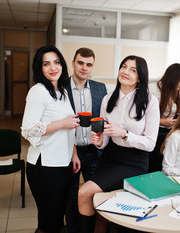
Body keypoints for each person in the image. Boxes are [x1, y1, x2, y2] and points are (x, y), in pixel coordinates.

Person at [78, 55, 160, 233]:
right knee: (100, 209)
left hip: (134, 162)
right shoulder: (108, 99)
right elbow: (105, 136)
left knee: (85, 192)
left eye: (133, 70)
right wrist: (99, 142)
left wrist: (124, 134)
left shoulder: (150, 101)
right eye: (124, 67)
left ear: (140, 78)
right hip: (110, 157)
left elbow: (151, 144)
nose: (126, 72)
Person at [21, 45, 81, 233]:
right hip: (44, 167)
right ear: (40, 68)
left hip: (63, 164)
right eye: (46, 64)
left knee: (56, 219)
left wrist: (74, 154)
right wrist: (62, 124)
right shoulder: (38, 91)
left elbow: (69, 127)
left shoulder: (61, 91)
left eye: (56, 62)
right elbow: (28, 130)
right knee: (49, 222)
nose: (52, 67)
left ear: (62, 65)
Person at [64, 47, 107, 233]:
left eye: (89, 64)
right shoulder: (60, 87)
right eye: (80, 63)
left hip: (93, 151)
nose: (84, 68)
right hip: (68, 152)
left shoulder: (100, 88)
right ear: (73, 63)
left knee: (97, 196)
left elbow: (103, 119)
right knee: (71, 197)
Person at [148, 63, 180, 172]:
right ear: (172, 79)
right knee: (155, 163)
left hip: (169, 131)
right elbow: (144, 116)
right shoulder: (152, 89)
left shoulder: (175, 89)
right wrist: (162, 122)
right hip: (155, 131)